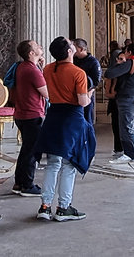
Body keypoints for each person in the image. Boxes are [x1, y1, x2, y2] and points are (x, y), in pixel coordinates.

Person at [32, 37, 95, 221]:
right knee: (69, 164)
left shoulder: (48, 69)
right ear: (69, 51)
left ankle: (45, 206)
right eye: (70, 44)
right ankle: (63, 207)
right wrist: (90, 95)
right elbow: (83, 102)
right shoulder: (78, 72)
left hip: (54, 116)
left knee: (53, 163)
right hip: (71, 118)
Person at [9, 39, 47, 198]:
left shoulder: (23, 67)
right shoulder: (32, 70)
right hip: (32, 115)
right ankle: (27, 185)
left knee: (26, 150)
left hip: (22, 114)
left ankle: (19, 183)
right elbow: (47, 93)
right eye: (36, 45)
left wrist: (40, 67)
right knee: (31, 151)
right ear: (31, 53)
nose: (40, 46)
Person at [104, 42, 134, 163]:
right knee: (129, 127)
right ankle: (131, 153)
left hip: (129, 99)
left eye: (125, 51)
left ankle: (131, 154)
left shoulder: (131, 62)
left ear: (129, 52)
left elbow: (109, 73)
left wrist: (118, 64)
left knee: (128, 128)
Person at [72, 38, 102, 126]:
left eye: (74, 48)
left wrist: (90, 91)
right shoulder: (73, 60)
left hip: (86, 93)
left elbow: (96, 80)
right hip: (73, 94)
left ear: (81, 49)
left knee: (87, 119)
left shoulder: (93, 62)